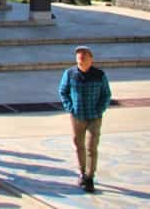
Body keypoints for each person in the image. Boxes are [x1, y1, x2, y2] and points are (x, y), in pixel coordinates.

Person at [59, 45, 112, 194]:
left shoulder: (99, 75)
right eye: (78, 55)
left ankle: (90, 176)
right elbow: (63, 91)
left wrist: (99, 109)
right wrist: (70, 107)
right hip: (77, 116)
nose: (80, 57)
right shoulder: (69, 74)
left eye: (84, 55)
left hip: (94, 117)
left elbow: (106, 94)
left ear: (91, 58)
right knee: (79, 144)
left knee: (91, 146)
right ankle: (82, 172)